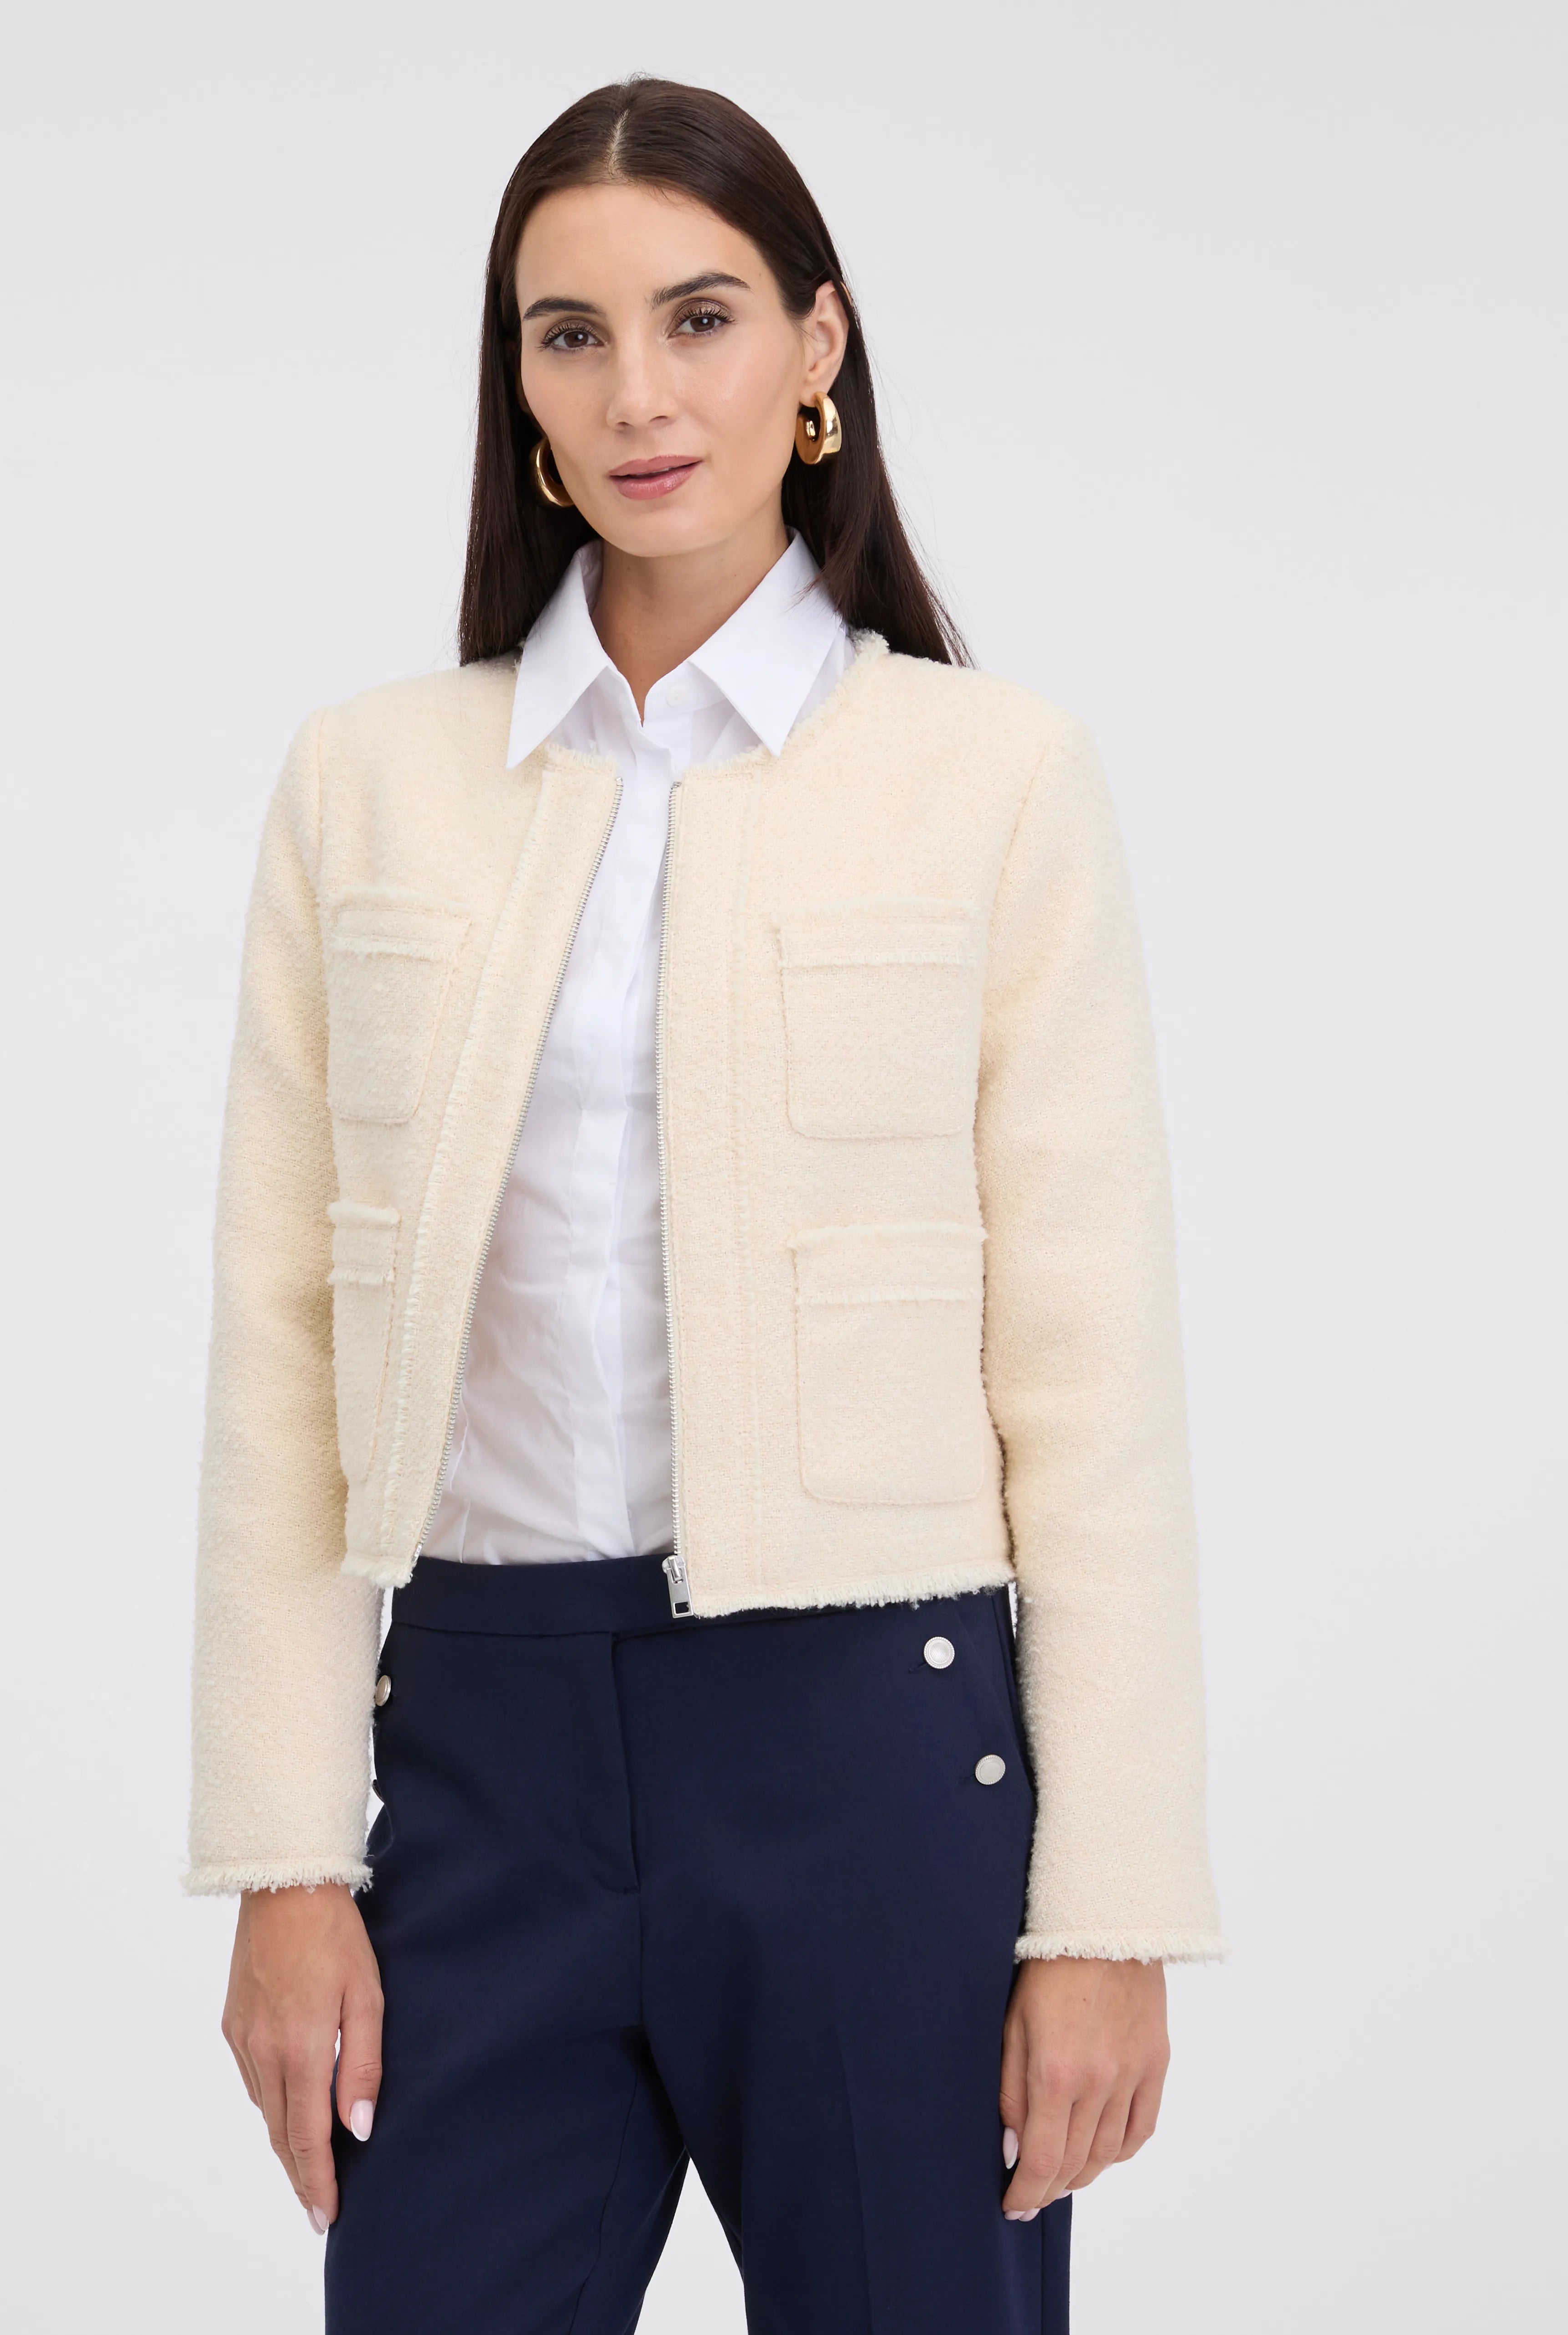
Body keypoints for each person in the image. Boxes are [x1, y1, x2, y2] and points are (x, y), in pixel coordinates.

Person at [187, 75, 1223, 2335]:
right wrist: (282, 1859)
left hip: (873, 1752)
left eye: (701, 317)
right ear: (519, 387)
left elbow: (1091, 1376)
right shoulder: (370, 784)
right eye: (569, 335)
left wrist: (1110, 1913)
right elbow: (287, 1350)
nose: (639, 395)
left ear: (817, 346)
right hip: (482, 1750)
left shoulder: (991, 780)